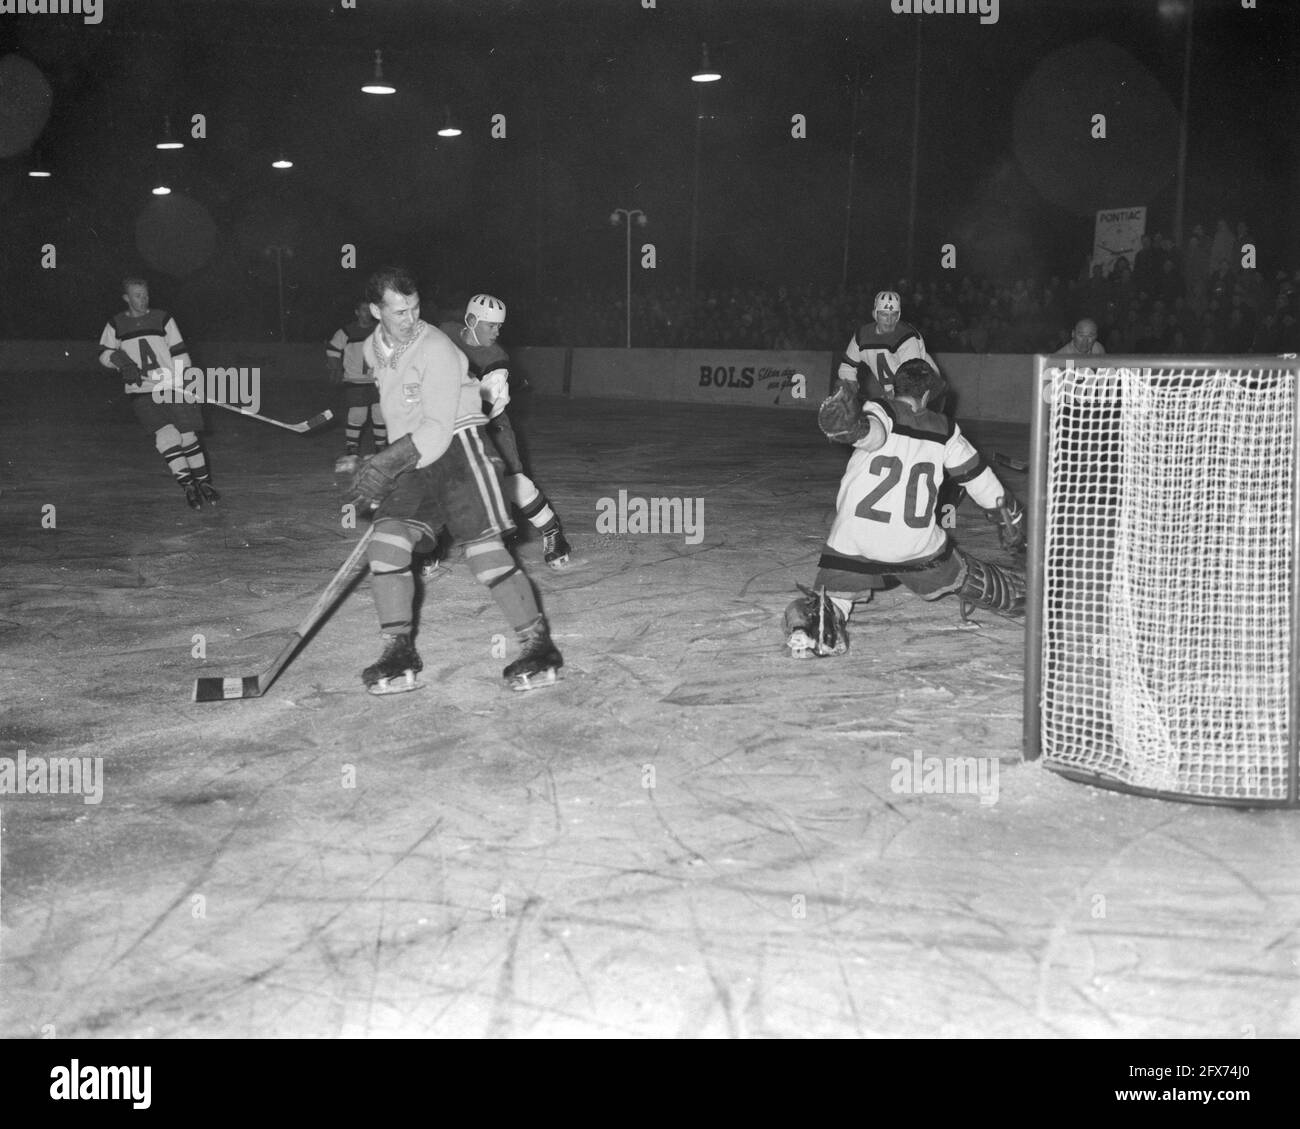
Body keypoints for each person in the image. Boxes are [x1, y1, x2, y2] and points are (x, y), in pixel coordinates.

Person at [344, 267, 562, 694]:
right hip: (414, 453)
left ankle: (538, 646)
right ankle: (399, 649)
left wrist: (388, 461)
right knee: (385, 544)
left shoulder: (438, 349)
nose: (410, 319)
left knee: (483, 552)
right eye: (400, 311)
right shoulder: (373, 349)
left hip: (460, 451)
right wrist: (390, 463)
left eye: (415, 308)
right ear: (376, 311)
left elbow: (438, 429)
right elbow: (398, 414)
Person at [784, 359, 1026, 658]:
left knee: (829, 600)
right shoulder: (945, 429)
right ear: (927, 396)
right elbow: (980, 481)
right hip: (915, 547)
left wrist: (852, 429)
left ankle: (814, 627)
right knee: (968, 577)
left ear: (894, 388)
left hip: (854, 541)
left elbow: (873, 434)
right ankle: (1020, 596)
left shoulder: (880, 410)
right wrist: (1009, 517)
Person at [439, 294, 575, 569]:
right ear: (471, 321)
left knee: (514, 483)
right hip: (450, 419)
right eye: (491, 326)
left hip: (490, 425)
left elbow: (484, 410)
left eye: (499, 327)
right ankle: (432, 546)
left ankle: (553, 532)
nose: (497, 332)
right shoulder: (445, 333)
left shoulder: (497, 361)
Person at [98, 276, 218, 509]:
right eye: (137, 296)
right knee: (166, 436)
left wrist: (185, 380)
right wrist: (119, 362)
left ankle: (204, 483)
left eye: (145, 295)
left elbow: (180, 352)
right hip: (141, 390)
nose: (143, 300)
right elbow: (104, 354)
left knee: (187, 436)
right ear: (126, 298)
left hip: (171, 385)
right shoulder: (115, 324)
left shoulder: (163, 318)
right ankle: (188, 487)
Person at [836, 289, 932, 401]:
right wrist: (849, 392)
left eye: (893, 315)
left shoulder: (906, 336)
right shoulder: (862, 336)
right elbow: (847, 367)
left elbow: (912, 381)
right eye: (884, 314)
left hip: (927, 393)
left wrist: (887, 400)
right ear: (874, 314)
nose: (889, 320)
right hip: (902, 393)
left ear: (899, 316)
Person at [326, 299, 387, 474]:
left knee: (380, 415)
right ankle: (352, 454)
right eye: (363, 310)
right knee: (357, 416)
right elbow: (332, 350)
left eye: (369, 310)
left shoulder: (381, 329)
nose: (366, 313)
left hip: (379, 381)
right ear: (357, 312)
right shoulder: (346, 331)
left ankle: (381, 453)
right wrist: (336, 369)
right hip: (355, 381)